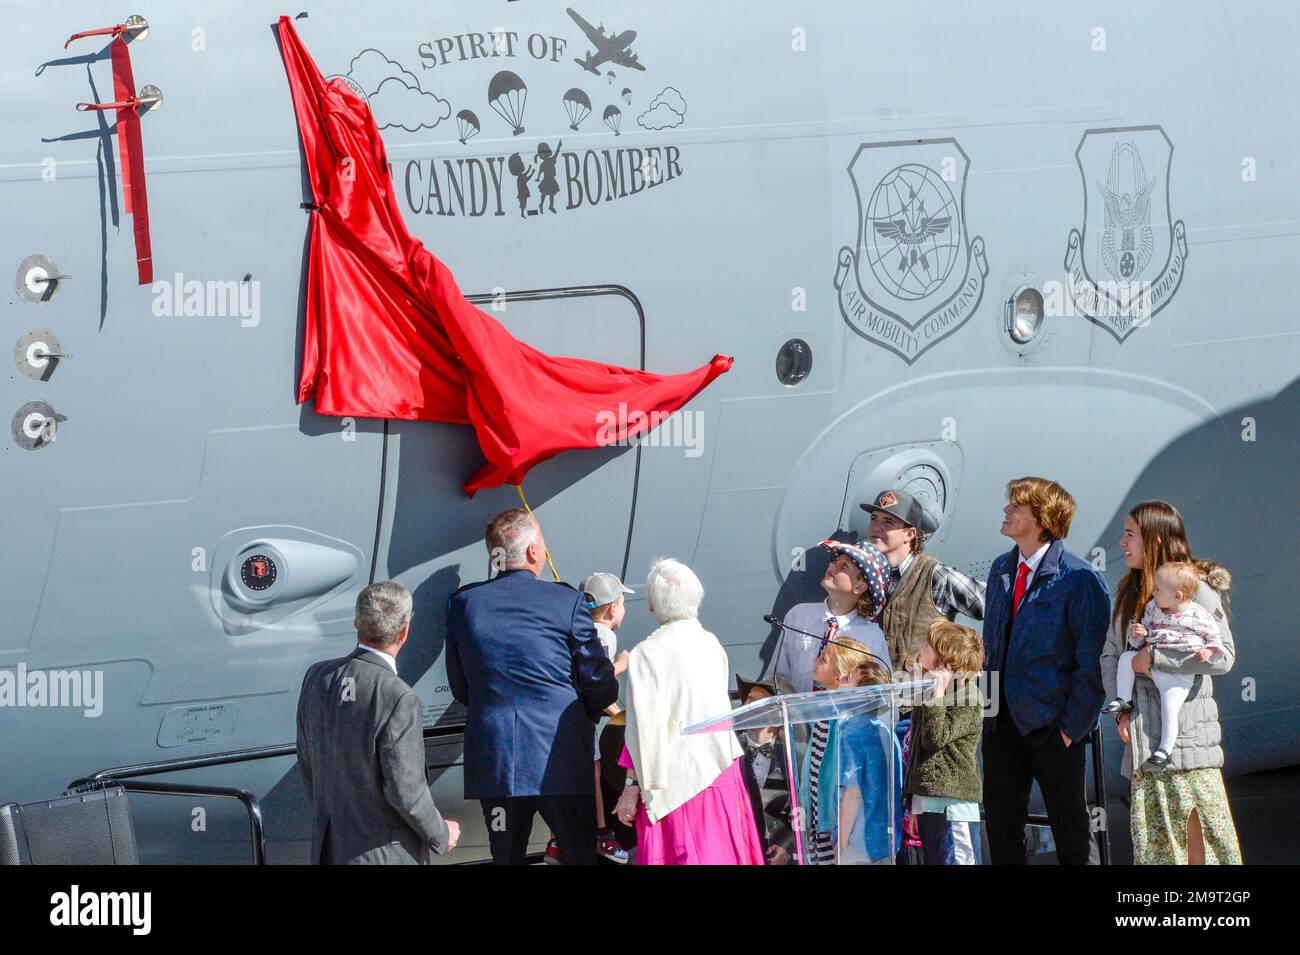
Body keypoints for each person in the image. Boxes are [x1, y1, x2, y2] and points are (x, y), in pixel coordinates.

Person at [444, 509, 618, 865]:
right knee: (578, 855)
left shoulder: (463, 605)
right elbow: (600, 683)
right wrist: (582, 717)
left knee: (505, 857)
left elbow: (462, 687)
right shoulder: (566, 601)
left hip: (497, 762)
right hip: (561, 756)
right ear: (533, 552)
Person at [1101, 501, 1241, 864]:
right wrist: (1121, 712)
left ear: (1156, 539)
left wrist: (1158, 658)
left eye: (1130, 535)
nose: (1122, 543)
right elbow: (1111, 656)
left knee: (1204, 851)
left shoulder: (1196, 590)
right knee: (1157, 853)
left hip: (1190, 752)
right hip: (1145, 753)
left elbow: (1224, 656)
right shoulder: (1128, 592)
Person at [980, 477, 1110, 865]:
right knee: (1002, 830)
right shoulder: (1001, 569)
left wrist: (1071, 729)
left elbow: (1094, 661)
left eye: (1016, 507)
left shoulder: (1079, 578)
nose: (1006, 511)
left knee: (1070, 830)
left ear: (1042, 519)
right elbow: (992, 647)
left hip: (1053, 727)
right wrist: (989, 713)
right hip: (1001, 725)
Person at [862, 486, 987, 864]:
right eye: (874, 519)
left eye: (889, 522)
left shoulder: (936, 576)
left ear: (910, 534)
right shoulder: (872, 581)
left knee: (941, 840)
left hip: (928, 725)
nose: (877, 528)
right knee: (903, 835)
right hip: (884, 722)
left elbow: (995, 610)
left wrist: (966, 668)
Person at [612, 558, 765, 865]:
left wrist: (631, 786)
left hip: (673, 783)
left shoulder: (647, 654)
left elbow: (646, 728)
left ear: (653, 604)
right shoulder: (711, 644)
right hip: (720, 772)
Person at [296, 581, 459, 864]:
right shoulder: (398, 697)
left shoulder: (316, 678)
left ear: (356, 622)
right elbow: (406, 791)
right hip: (386, 854)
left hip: (331, 851)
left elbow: (309, 765)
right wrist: (441, 833)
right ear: (404, 632)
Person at [1103, 561, 1225, 768]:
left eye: (1158, 590)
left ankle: (1164, 749)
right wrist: (1140, 634)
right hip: (1151, 667)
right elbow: (1143, 635)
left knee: (1170, 709)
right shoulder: (1153, 608)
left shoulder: (1197, 614)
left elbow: (1215, 639)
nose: (1154, 593)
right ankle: (1122, 699)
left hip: (1177, 675)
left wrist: (1209, 650)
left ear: (1178, 595)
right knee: (1125, 659)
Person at [799, 639, 902, 865]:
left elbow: (851, 788)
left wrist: (842, 838)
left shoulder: (851, 727)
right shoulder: (822, 715)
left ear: (841, 677)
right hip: (820, 817)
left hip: (842, 826)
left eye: (823, 659)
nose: (815, 661)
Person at [904, 620, 984, 865]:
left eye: (928, 645)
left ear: (945, 660)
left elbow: (934, 739)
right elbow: (919, 750)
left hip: (953, 805)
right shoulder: (933, 694)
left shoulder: (968, 696)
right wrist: (914, 803)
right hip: (929, 803)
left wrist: (937, 696)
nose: (922, 647)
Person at [773, 539, 893, 694]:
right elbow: (778, 675)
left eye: (844, 566)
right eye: (835, 561)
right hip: (796, 715)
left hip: (843, 717)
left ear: (860, 586)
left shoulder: (871, 636)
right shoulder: (798, 615)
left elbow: (883, 694)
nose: (832, 566)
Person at [580, 572, 632, 863]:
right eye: (623, 604)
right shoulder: (605, 636)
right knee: (596, 774)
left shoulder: (575, 632)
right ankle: (602, 834)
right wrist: (621, 665)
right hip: (583, 723)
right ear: (612, 609)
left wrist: (615, 712)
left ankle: (555, 841)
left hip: (564, 722)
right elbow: (597, 682)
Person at [735, 674, 794, 865]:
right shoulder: (727, 753)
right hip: (735, 850)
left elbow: (803, 809)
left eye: (758, 701)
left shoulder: (793, 758)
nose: (748, 704)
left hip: (773, 853)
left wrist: (787, 844)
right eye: (749, 698)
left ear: (777, 715)